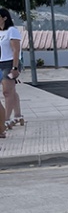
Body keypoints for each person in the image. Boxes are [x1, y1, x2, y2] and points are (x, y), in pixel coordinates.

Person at [0, 7, 25, 136]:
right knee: (11, 90)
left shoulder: (12, 31)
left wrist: (15, 68)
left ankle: (6, 119)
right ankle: (18, 115)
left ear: (4, 18)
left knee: (7, 92)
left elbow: (16, 50)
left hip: (9, 63)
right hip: (0, 63)